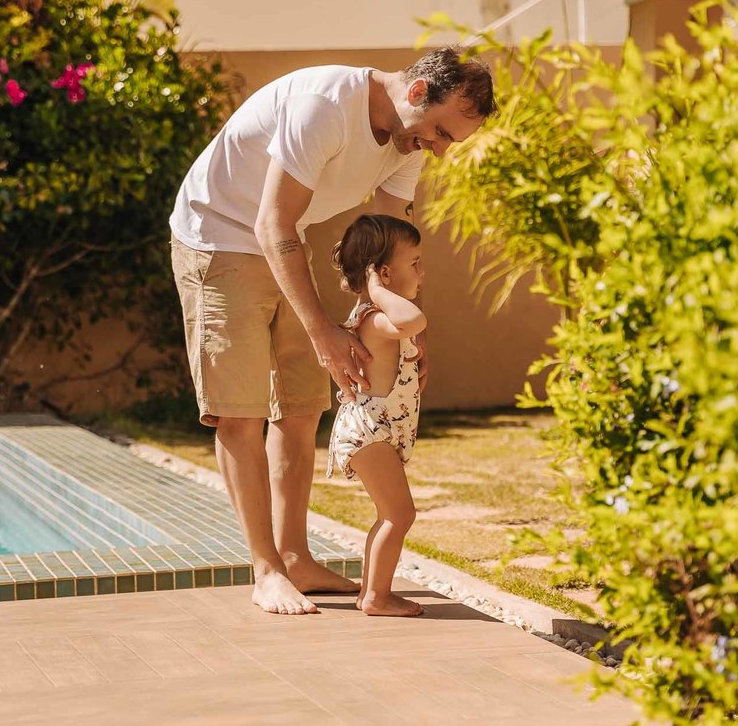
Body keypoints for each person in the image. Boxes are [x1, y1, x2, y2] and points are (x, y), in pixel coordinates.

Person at [169, 47, 495, 615]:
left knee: (300, 407)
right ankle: (266, 570)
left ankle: (295, 557)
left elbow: (389, 249)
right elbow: (271, 221)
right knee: (239, 412)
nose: (440, 148)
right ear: (417, 92)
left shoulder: (407, 143)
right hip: (219, 236)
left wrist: (406, 328)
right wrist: (322, 331)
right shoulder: (323, 106)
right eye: (442, 132)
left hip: (285, 241)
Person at [326, 215, 427, 616]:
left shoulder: (376, 316)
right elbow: (415, 320)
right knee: (400, 513)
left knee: (390, 513)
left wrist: (378, 288)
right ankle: (376, 597)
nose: (421, 272)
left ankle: (371, 592)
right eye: (414, 263)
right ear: (384, 273)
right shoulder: (376, 318)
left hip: (375, 431)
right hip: (370, 432)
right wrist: (379, 291)